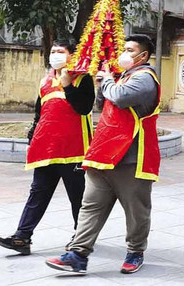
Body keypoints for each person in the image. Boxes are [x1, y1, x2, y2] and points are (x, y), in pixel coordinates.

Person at [46, 35, 161, 275]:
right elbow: (103, 103)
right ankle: (78, 254)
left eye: (130, 50)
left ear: (143, 56)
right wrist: (102, 85)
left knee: (135, 209)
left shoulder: (145, 78)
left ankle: (135, 251)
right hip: (103, 153)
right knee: (90, 206)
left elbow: (120, 97)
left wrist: (107, 81)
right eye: (124, 49)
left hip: (131, 155)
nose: (125, 54)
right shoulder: (121, 76)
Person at [0, 39, 94, 256]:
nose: (56, 55)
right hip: (47, 149)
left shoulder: (83, 80)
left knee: (78, 196)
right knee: (38, 193)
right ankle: (22, 237)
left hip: (73, 150)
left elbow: (84, 108)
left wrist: (67, 84)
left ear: (72, 56)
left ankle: (81, 239)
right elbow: (40, 113)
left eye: (61, 51)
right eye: (53, 51)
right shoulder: (45, 82)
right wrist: (33, 133)